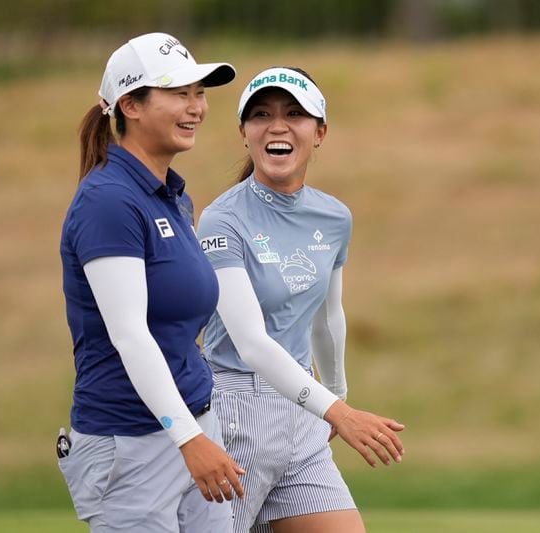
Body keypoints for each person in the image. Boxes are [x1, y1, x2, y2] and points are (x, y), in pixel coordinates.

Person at [197, 66, 406, 533]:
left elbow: (328, 317)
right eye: (261, 115)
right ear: (244, 133)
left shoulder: (334, 216)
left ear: (320, 132)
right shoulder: (221, 219)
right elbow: (250, 342)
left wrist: (336, 393)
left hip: (302, 415)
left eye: (295, 113)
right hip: (233, 413)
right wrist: (339, 411)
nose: (277, 125)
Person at [57, 32, 244, 533]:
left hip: (191, 426)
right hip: (132, 446)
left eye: (199, 93)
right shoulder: (108, 201)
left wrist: (198, 430)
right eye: (178, 93)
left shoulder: (172, 197)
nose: (196, 107)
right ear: (130, 105)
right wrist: (189, 439)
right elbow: (130, 335)